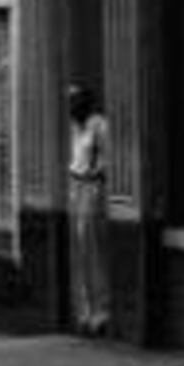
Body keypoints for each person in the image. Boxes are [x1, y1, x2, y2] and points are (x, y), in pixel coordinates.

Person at [66, 82, 114, 337]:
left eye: (75, 100)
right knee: (81, 250)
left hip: (93, 188)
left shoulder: (99, 125)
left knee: (93, 247)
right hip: (76, 187)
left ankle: (102, 311)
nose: (71, 106)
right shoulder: (75, 128)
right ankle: (85, 311)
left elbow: (108, 159)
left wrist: (94, 175)